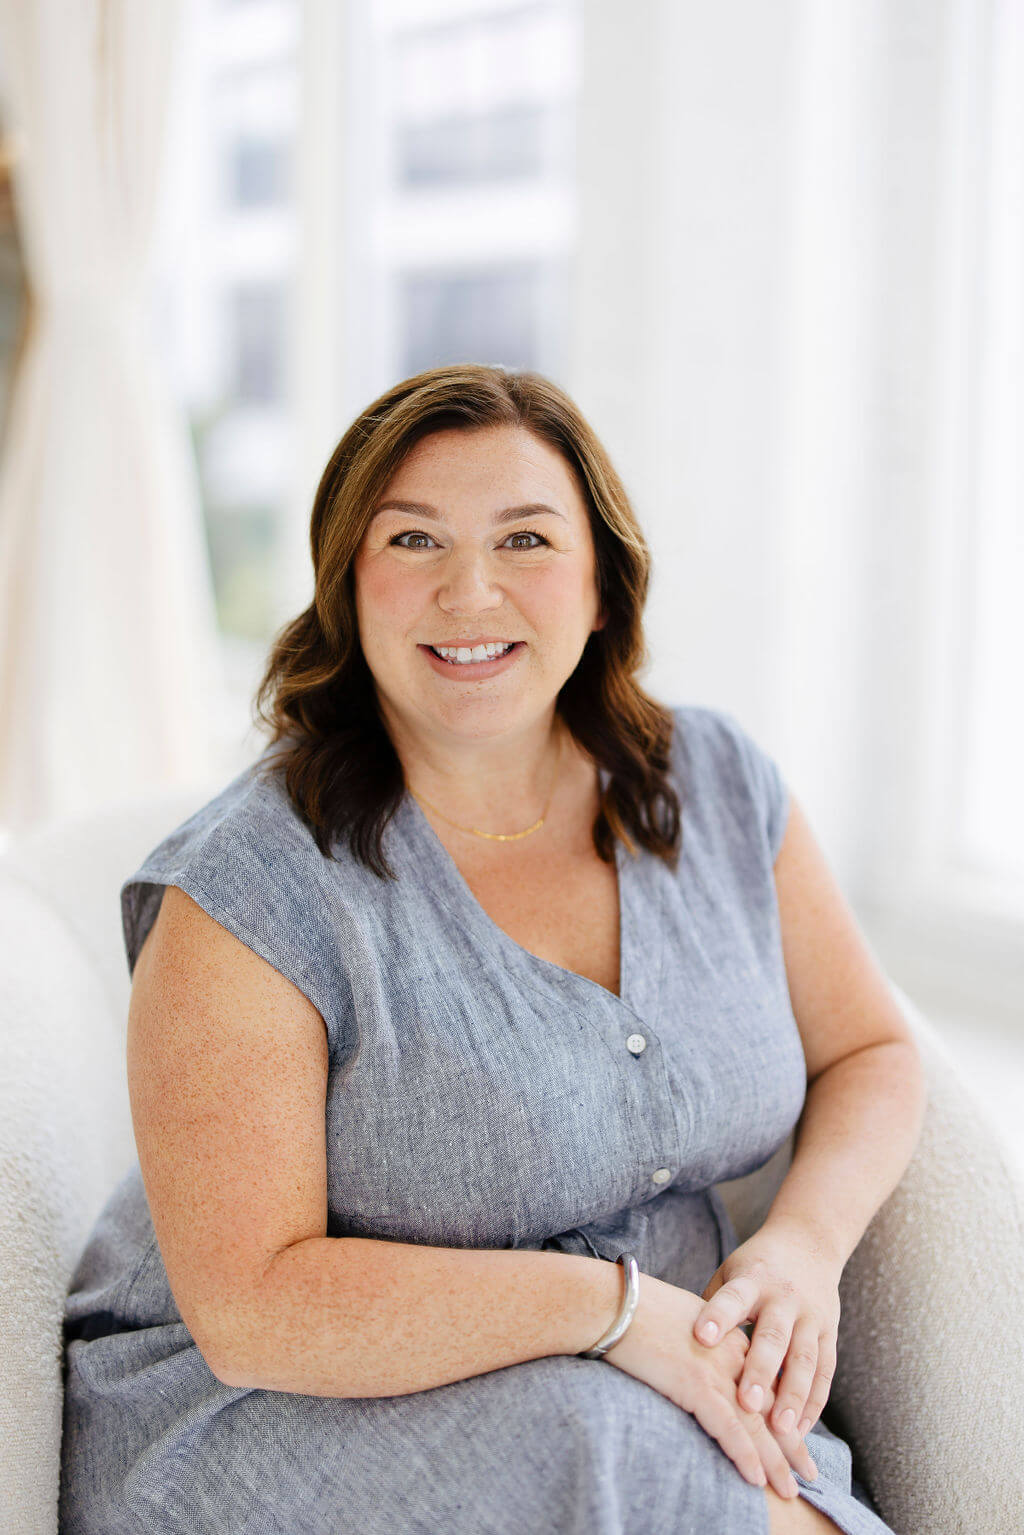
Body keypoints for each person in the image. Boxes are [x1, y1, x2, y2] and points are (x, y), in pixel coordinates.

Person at [59, 363, 925, 1535]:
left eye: (524, 539)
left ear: (602, 586)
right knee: (630, 1463)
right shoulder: (244, 889)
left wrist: (804, 1247)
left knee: (673, 1466)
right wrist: (616, 1309)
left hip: (665, 1371)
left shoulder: (717, 787)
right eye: (413, 540)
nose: (470, 592)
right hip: (277, 1404)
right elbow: (253, 1306)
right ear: (347, 589)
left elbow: (869, 1047)